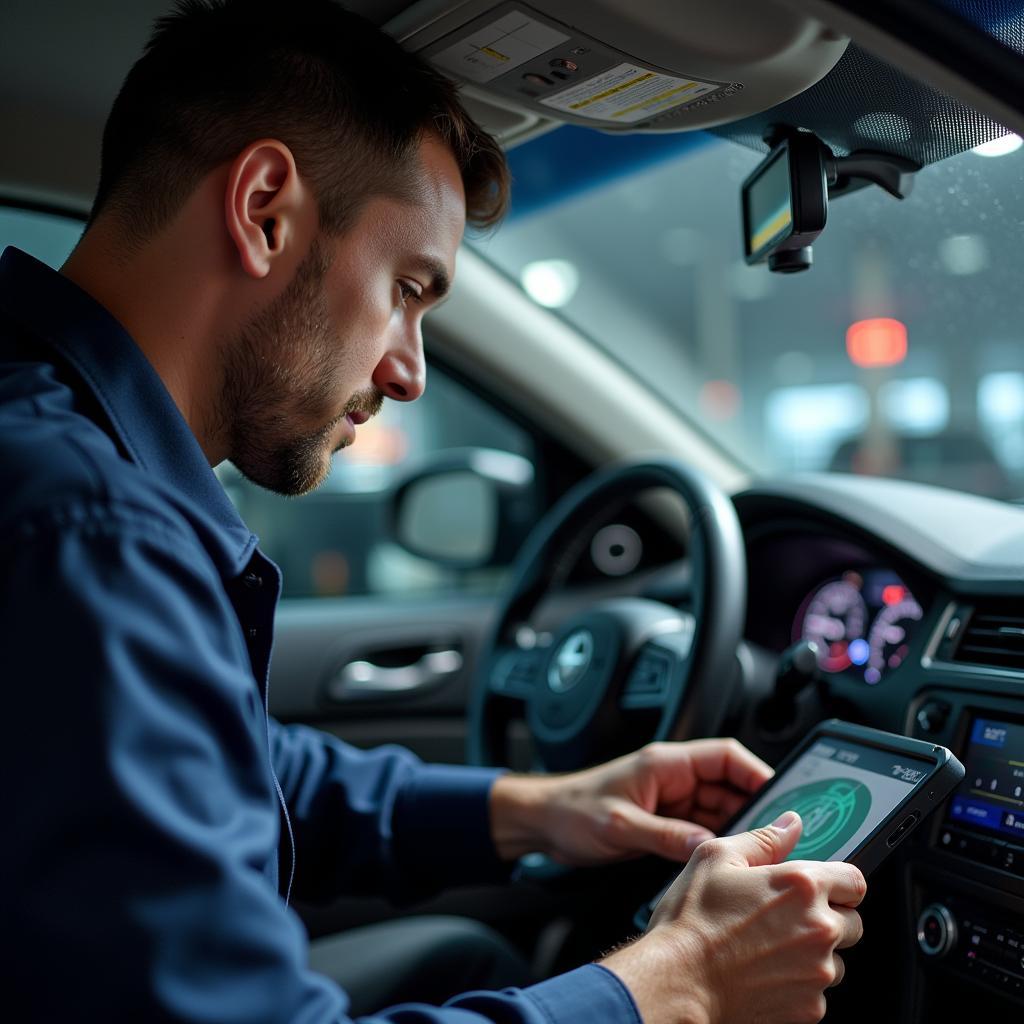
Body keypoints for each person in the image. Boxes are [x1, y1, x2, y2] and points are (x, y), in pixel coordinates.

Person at [0, 1, 865, 1021]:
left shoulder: (55, 460)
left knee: (460, 950)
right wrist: (678, 981)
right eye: (408, 287)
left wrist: (539, 807)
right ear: (264, 208)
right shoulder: (93, 533)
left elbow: (213, 763)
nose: (409, 370)